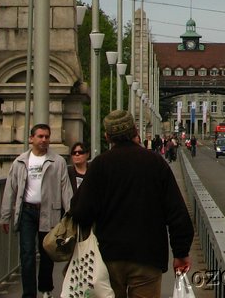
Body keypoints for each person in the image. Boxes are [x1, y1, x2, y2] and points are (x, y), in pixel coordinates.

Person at [71, 110, 193, 298]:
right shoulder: (155, 163)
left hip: (108, 257)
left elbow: (81, 212)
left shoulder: (99, 165)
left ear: (107, 136)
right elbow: (177, 212)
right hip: (147, 256)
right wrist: (181, 252)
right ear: (135, 130)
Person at [0, 123, 73, 298]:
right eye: (40, 136)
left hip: (49, 211)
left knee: (47, 251)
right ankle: (29, 294)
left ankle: (46, 289)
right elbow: (10, 190)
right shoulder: (20, 162)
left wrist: (71, 215)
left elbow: (65, 190)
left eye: (47, 136)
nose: (44, 140)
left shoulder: (58, 162)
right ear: (31, 138)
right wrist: (5, 216)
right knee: (27, 254)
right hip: (27, 211)